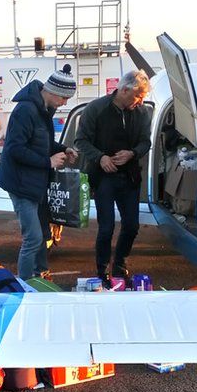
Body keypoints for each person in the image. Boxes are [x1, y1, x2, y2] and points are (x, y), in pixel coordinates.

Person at [0, 65, 77, 280]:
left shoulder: (43, 110)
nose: (65, 103)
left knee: (43, 235)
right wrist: (48, 161)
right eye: (63, 98)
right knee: (32, 238)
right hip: (21, 184)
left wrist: (62, 149)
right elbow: (14, 149)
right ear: (51, 91)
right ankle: (25, 286)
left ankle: (40, 274)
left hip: (36, 182)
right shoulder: (26, 110)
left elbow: (42, 142)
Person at [75, 70, 152, 287]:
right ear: (124, 90)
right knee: (106, 227)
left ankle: (120, 263)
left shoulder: (142, 112)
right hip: (104, 177)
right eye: (138, 96)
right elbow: (81, 140)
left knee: (132, 225)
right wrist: (100, 158)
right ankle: (102, 270)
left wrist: (133, 153)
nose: (141, 101)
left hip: (129, 176)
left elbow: (146, 142)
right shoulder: (96, 109)